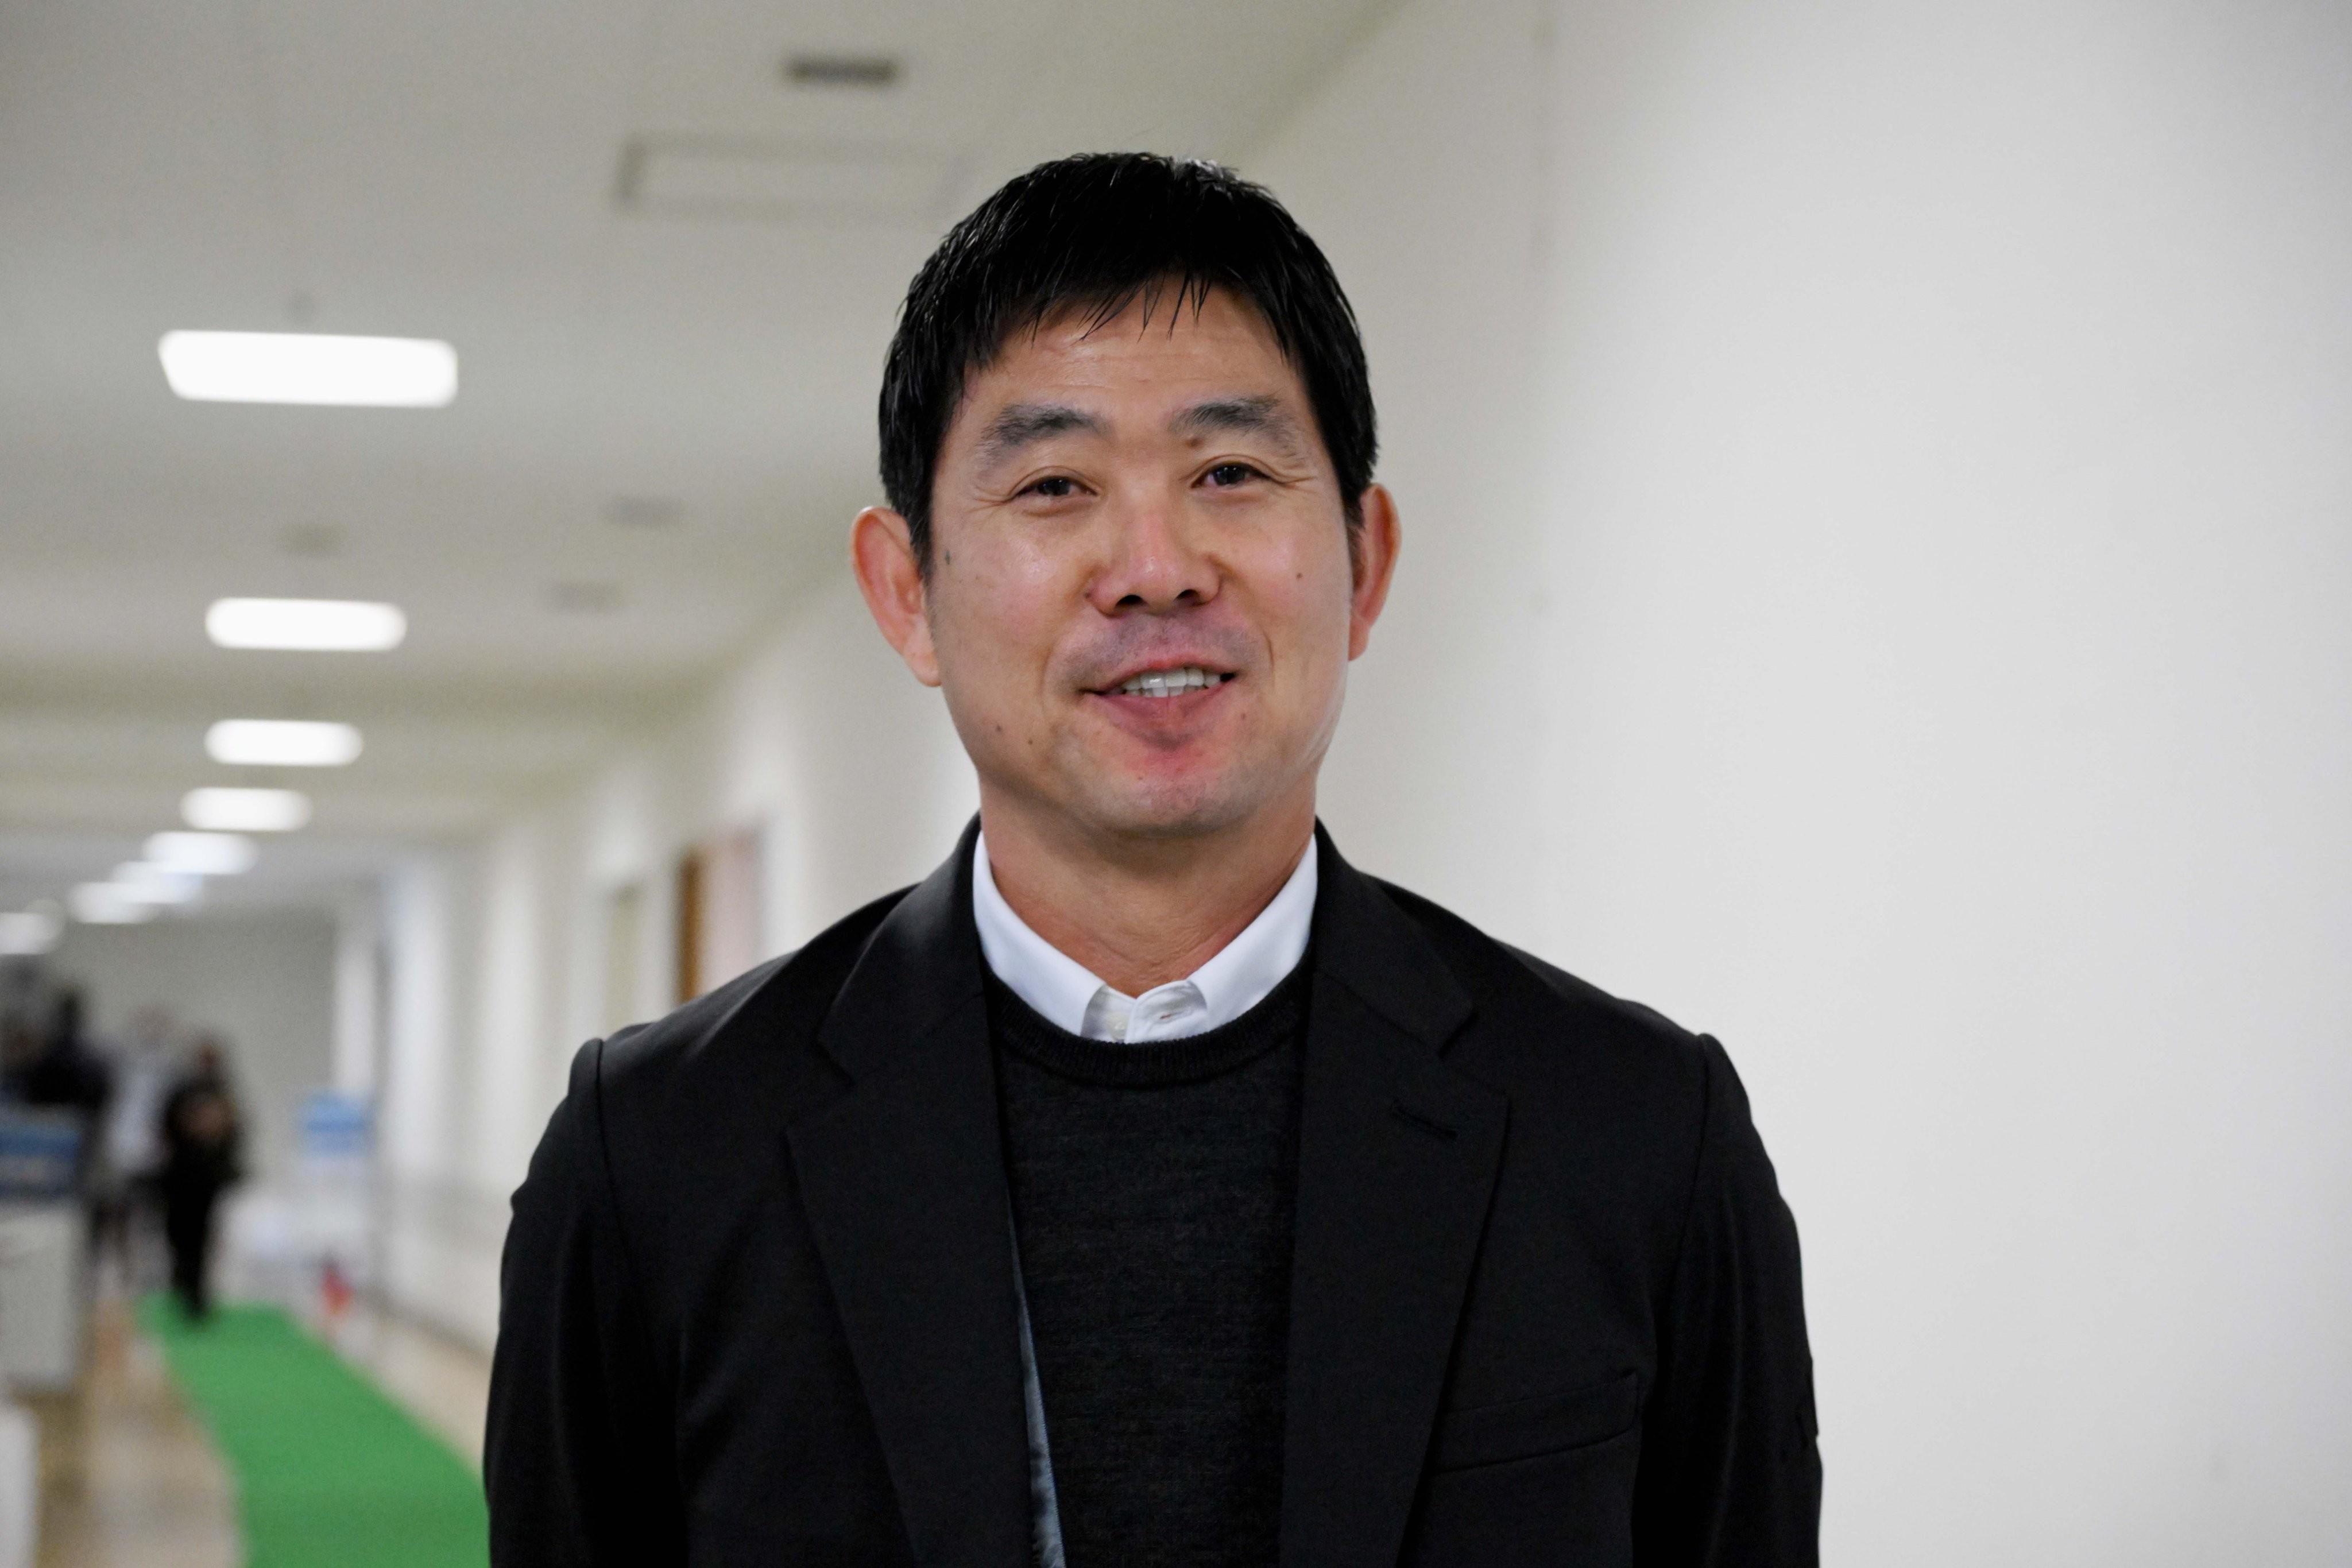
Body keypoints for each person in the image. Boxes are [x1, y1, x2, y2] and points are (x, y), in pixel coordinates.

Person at [488, 153, 1819, 1566]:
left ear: (1364, 564)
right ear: (907, 590)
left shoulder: (1634, 1133)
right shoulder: (663, 1156)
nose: (1155, 566)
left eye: (1228, 472)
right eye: (1054, 483)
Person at [157, 1039, 242, 1320]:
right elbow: (165, 1128)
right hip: (181, 1177)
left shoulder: (224, 1094)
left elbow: (235, 1134)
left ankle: (197, 1295)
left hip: (208, 1180)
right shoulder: (182, 1091)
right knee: (180, 1235)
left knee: (202, 1238)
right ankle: (181, 1286)